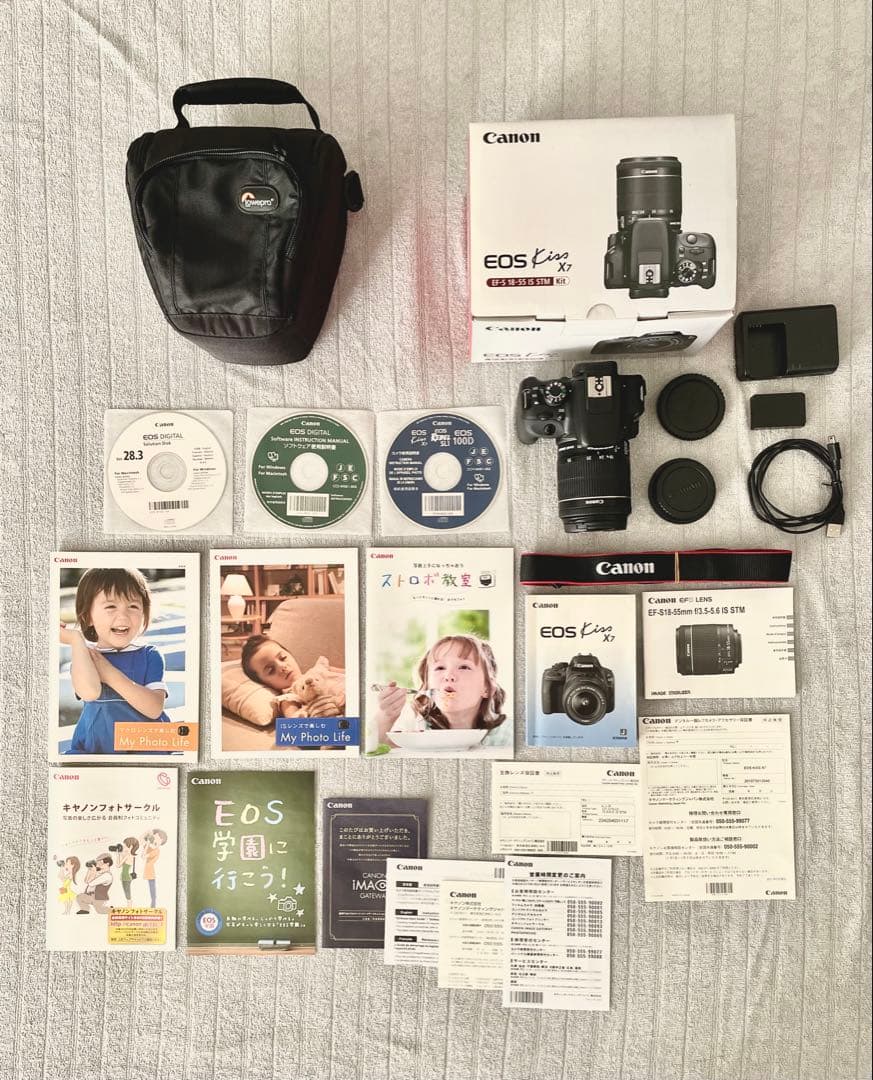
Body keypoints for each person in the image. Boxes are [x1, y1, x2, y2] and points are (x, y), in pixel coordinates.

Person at [60, 567, 171, 754]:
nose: (123, 616)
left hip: (145, 747)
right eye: (111, 607)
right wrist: (75, 640)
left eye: (133, 606)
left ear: (144, 613)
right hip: (97, 748)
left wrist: (108, 673)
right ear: (87, 617)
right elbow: (89, 693)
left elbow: (154, 709)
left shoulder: (149, 655)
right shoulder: (85, 657)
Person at [372, 634, 509, 748]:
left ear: (487, 689)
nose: (448, 676)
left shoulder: (508, 733)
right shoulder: (415, 725)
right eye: (440, 668)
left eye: (464, 667)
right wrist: (386, 716)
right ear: (427, 686)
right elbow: (379, 746)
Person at [141, 828, 167, 908]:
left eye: (157, 839)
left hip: (150, 871)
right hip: (147, 870)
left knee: (152, 890)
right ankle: (152, 905)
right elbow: (142, 843)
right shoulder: (150, 848)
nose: (154, 840)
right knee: (150, 889)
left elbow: (143, 856)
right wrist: (148, 839)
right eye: (154, 837)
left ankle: (153, 906)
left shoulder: (156, 850)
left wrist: (148, 843)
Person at [118, 837, 139, 903]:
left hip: (126, 877)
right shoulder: (128, 856)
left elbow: (118, 865)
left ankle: (129, 907)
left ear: (131, 847)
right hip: (124, 877)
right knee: (127, 896)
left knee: (128, 897)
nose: (124, 847)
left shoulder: (128, 856)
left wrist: (119, 855)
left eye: (125, 846)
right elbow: (118, 865)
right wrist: (119, 854)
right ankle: (129, 905)